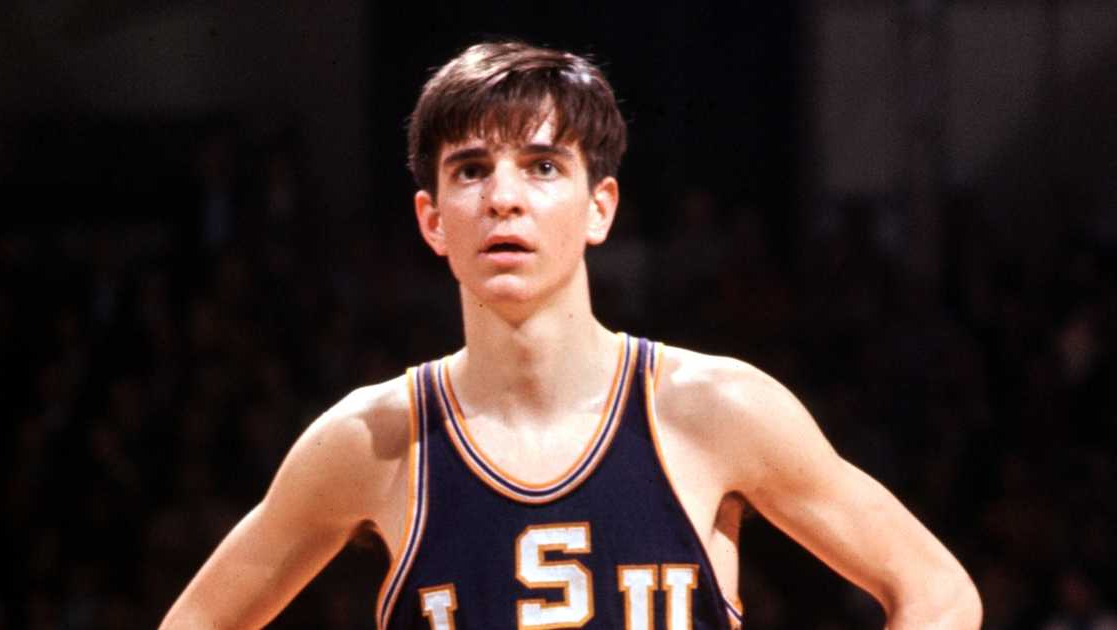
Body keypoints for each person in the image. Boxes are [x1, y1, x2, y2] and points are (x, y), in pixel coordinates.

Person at [160, 41, 982, 629]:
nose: (503, 198)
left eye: (543, 166)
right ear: (432, 219)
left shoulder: (716, 408)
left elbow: (938, 591)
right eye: (471, 169)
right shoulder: (371, 439)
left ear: (601, 207)